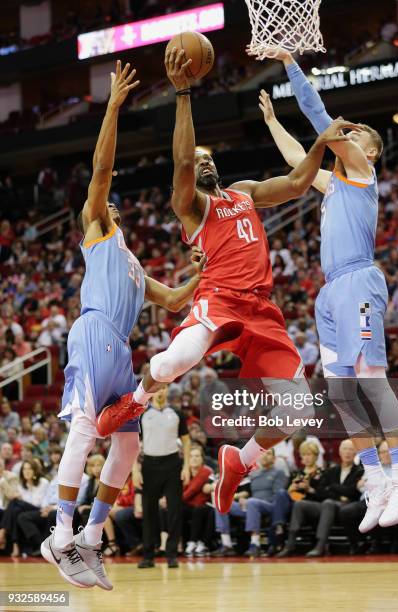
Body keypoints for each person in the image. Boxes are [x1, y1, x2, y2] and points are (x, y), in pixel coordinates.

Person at [96, 49, 360, 502]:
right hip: (218, 299)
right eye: (197, 161)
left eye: (207, 157)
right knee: (169, 364)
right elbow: (180, 164)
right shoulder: (192, 208)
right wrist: (183, 93)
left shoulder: (243, 193)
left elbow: (297, 184)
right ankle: (133, 402)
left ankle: (239, 460)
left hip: (262, 310)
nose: (203, 162)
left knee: (297, 409)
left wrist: (320, 144)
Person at [41, 60, 206, 591]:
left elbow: (178, 299)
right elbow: (101, 171)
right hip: (95, 333)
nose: (108, 199)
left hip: (121, 346)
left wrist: (205, 271)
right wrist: (112, 107)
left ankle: (90, 538)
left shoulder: (133, 264)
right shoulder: (98, 227)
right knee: (87, 431)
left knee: (128, 445)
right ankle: (60, 534)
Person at [250, 48, 398, 532]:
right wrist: (270, 123)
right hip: (330, 293)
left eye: (354, 135)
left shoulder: (363, 173)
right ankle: (376, 479)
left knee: (371, 381)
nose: (346, 137)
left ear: (367, 151)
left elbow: (321, 119)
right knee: (342, 390)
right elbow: (296, 161)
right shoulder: (335, 184)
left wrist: (289, 64)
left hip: (359, 281)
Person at [278, 440, 362, 557]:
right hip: (328, 505)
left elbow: (353, 492)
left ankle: (320, 545)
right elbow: (322, 491)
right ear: (339, 451)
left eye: (351, 449)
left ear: (356, 452)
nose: (347, 452)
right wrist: (339, 493)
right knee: (300, 504)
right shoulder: (332, 470)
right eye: (345, 449)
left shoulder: (359, 471)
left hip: (347, 507)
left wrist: (332, 488)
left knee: (328, 502)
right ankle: (290, 543)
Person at [138, 386, 191, 569]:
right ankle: (148, 555)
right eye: (157, 388)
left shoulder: (176, 413)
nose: (160, 391)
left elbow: (186, 440)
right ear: (152, 391)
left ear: (168, 390)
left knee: (175, 510)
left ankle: (171, 555)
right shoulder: (142, 413)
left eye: (164, 388)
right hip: (149, 465)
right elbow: (133, 443)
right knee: (149, 511)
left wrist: (186, 466)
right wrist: (135, 470)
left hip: (172, 464)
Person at [214, 449, 287, 557]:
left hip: (270, 505)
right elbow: (249, 492)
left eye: (268, 454)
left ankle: (255, 544)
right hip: (252, 505)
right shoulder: (254, 474)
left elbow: (278, 496)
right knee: (221, 504)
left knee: (252, 502)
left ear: (274, 458)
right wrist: (243, 500)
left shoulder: (279, 472)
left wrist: (251, 501)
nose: (265, 456)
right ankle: (227, 544)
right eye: (262, 454)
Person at [183, 446, 214, 557]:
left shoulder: (206, 471)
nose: (194, 459)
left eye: (197, 456)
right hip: (189, 504)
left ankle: (193, 542)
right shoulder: (185, 472)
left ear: (202, 458)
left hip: (206, 505)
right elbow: (178, 490)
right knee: (169, 511)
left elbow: (191, 491)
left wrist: (174, 501)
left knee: (198, 510)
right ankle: (175, 543)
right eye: (191, 456)